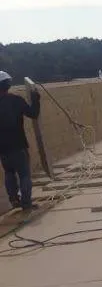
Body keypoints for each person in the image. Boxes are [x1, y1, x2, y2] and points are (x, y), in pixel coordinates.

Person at [0, 71, 40, 211]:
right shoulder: (16, 100)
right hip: (18, 145)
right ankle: (26, 203)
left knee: (9, 173)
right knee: (24, 175)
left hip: (2, 148)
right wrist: (36, 99)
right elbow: (33, 114)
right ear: (8, 84)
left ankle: (14, 200)